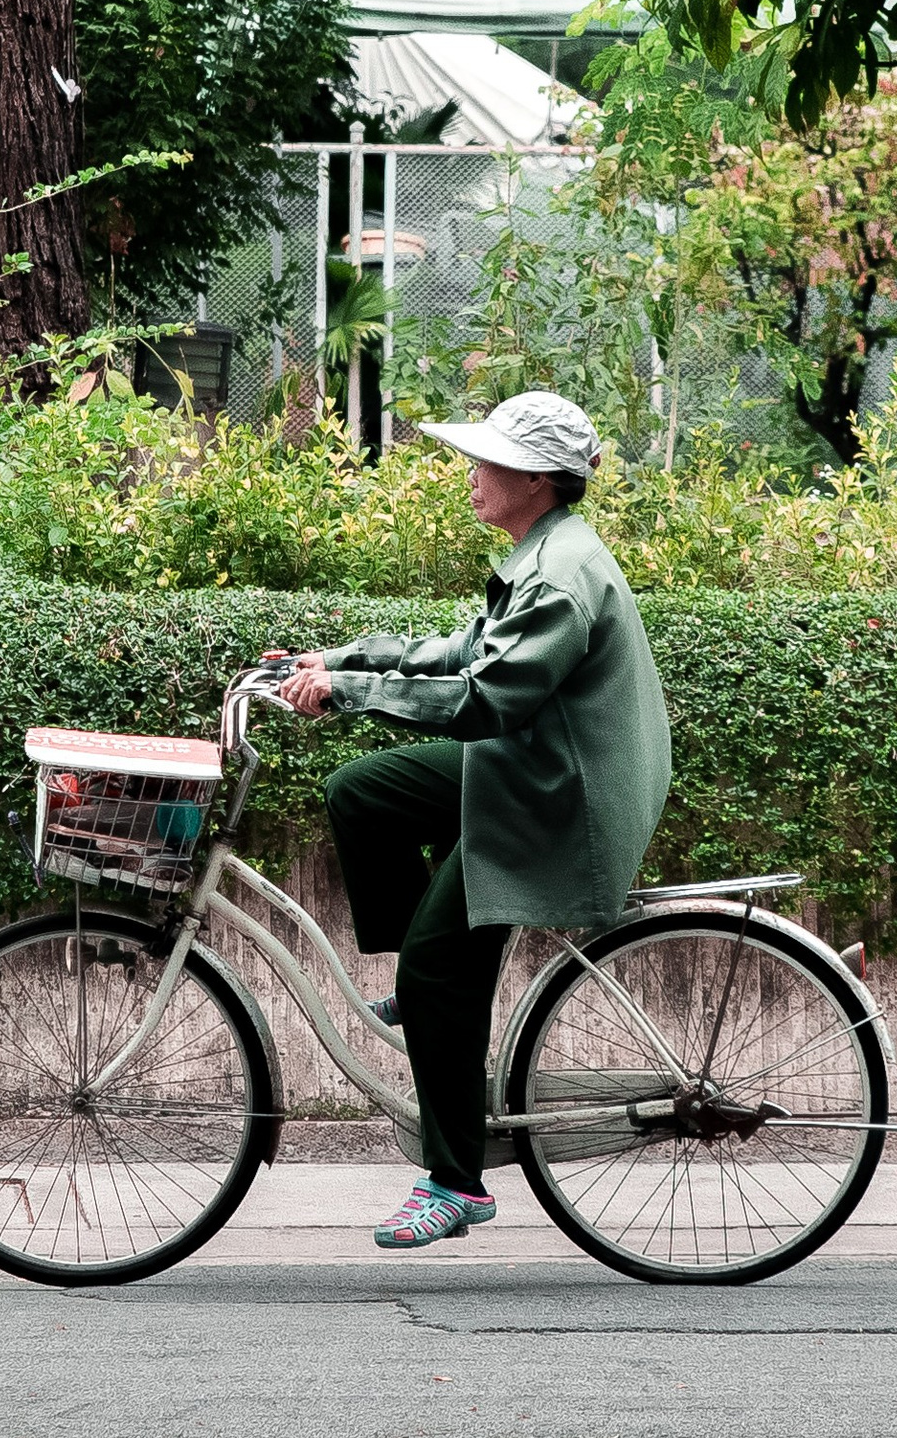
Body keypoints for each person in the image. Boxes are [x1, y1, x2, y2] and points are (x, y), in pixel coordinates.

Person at [276, 391, 670, 1250]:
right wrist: (344, 658)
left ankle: (456, 1182)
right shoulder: (544, 550)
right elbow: (464, 650)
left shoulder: (562, 575)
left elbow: (482, 698)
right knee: (361, 793)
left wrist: (345, 692)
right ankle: (431, 989)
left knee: (438, 969)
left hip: (558, 802)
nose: (471, 475)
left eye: (485, 461)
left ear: (534, 479)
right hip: (529, 769)